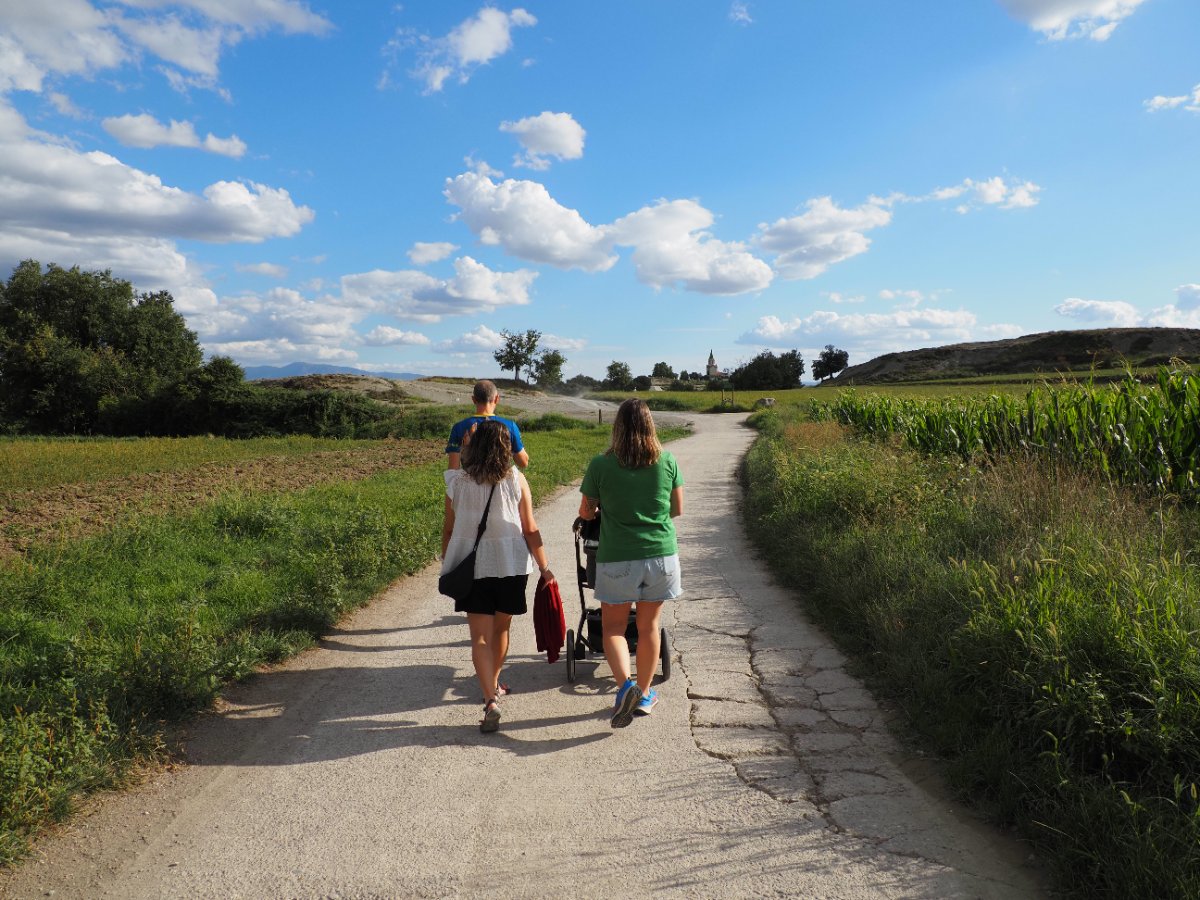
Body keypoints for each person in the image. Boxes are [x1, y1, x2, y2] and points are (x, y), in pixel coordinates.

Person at [441, 419, 554, 733]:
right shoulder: (515, 478)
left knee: (479, 636)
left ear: (474, 447)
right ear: (506, 448)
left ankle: (490, 699)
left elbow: (449, 529)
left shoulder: (457, 482)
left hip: (471, 567)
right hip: (510, 565)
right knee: (501, 629)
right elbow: (530, 528)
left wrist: (447, 561)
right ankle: (493, 685)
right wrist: (544, 567)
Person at [579, 398, 684, 728]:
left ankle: (626, 687)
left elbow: (586, 512)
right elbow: (677, 509)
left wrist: (604, 510)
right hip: (661, 555)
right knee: (649, 626)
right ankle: (645, 693)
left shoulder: (601, 464)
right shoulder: (667, 461)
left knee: (613, 628)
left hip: (618, 557)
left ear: (618, 427)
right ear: (650, 425)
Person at [446, 380, 529, 470]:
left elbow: (453, 468)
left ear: (474, 400)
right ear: (497, 399)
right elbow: (523, 462)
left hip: (470, 477)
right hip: (499, 478)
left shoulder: (459, 427)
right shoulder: (509, 426)